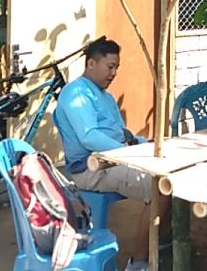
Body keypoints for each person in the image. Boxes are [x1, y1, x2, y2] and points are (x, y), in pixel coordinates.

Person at [53, 38, 169, 271]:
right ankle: (138, 262)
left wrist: (144, 144)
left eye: (117, 67)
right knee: (161, 186)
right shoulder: (74, 93)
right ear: (91, 63)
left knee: (173, 175)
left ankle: (159, 241)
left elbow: (120, 133)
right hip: (91, 168)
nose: (114, 73)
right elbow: (89, 137)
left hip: (114, 161)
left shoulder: (106, 97)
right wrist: (127, 154)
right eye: (110, 67)